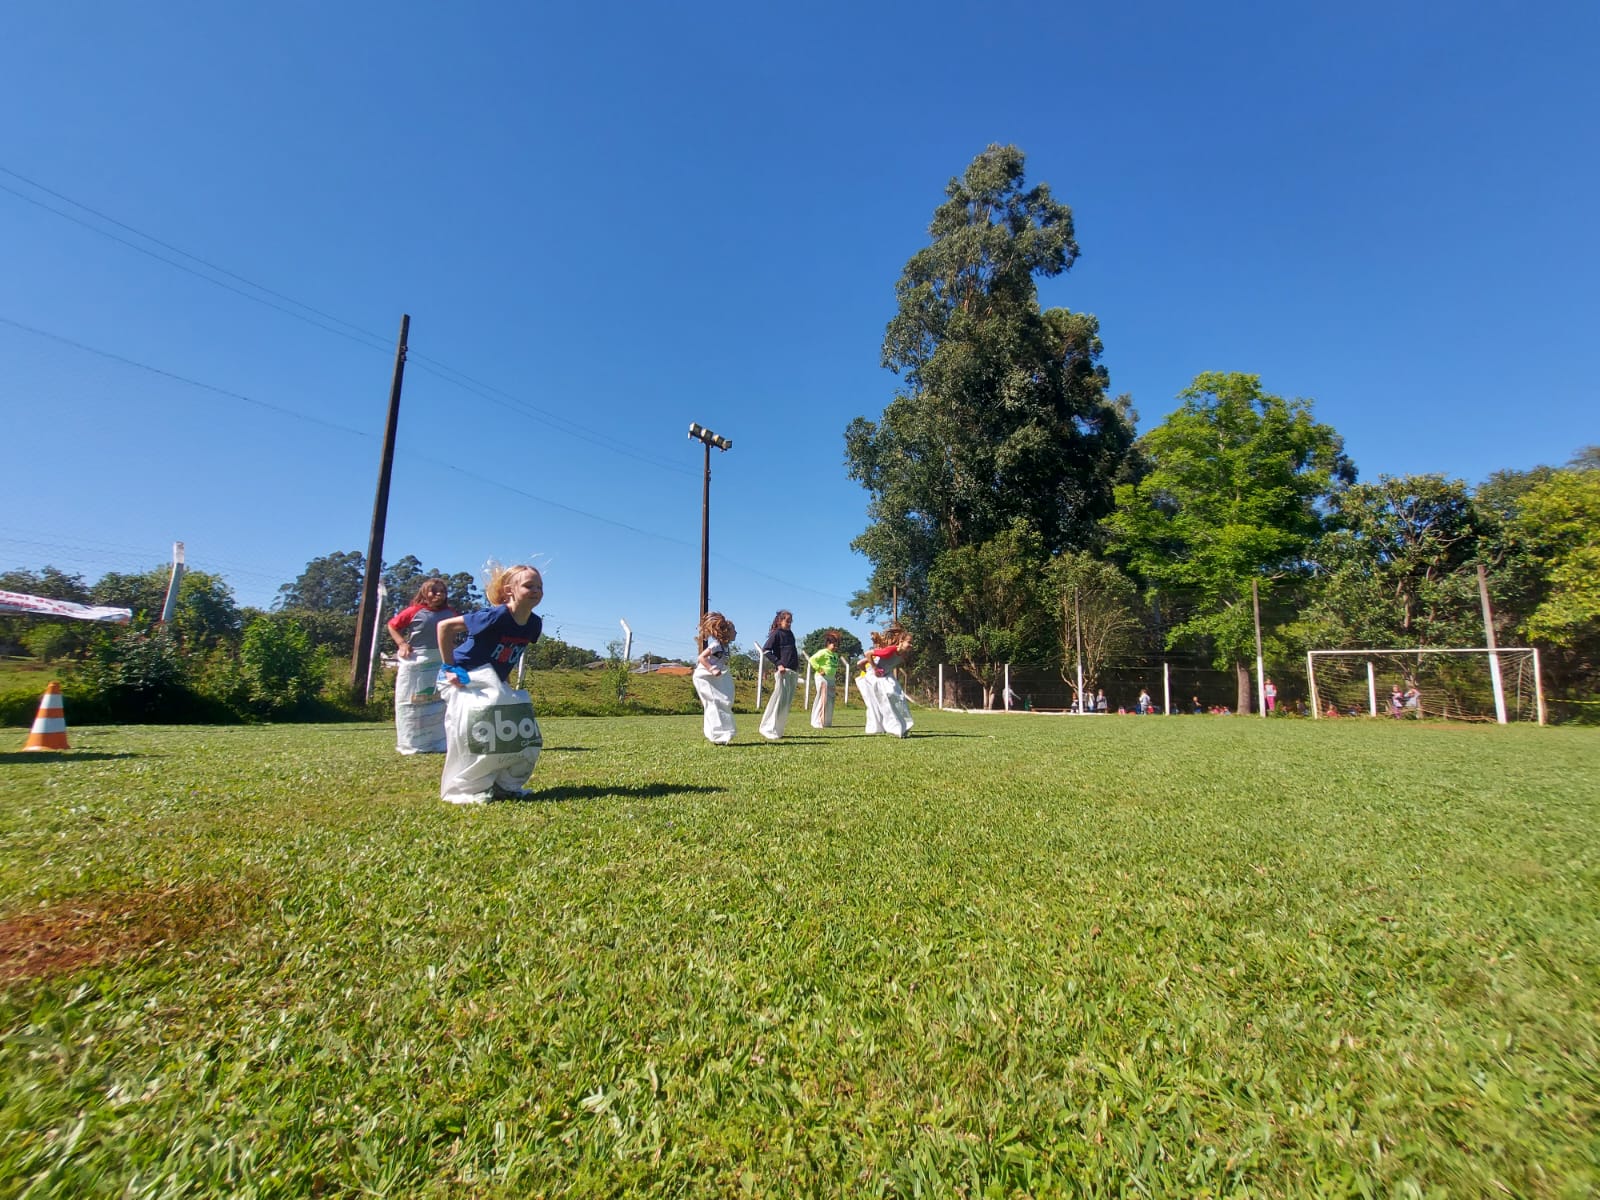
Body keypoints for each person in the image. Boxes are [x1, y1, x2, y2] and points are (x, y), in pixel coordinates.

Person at [434, 564, 544, 804]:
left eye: (539, 586)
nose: (536, 590)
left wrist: (503, 684)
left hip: (490, 684)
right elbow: (445, 627)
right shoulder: (495, 615)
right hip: (463, 678)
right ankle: (463, 791)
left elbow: (507, 655)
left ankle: (506, 786)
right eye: (528, 585)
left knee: (522, 734)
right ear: (509, 591)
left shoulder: (534, 624)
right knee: (473, 736)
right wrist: (449, 666)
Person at [386, 577, 458, 754]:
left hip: (442, 660)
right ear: (425, 593)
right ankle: (412, 742)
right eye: (434, 591)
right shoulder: (414, 611)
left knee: (442, 701)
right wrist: (402, 643)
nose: (439, 594)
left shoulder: (451, 613)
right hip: (418, 660)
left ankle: (441, 742)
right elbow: (392, 625)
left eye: (443, 591)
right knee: (413, 701)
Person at [861, 625, 914, 738]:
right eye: (909, 642)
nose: (911, 645)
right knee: (887, 697)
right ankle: (893, 728)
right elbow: (868, 654)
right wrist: (874, 668)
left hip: (886, 675)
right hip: (875, 676)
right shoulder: (890, 650)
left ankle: (904, 726)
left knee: (899, 697)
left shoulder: (903, 654)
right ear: (901, 641)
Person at [693, 611, 737, 745]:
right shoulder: (716, 645)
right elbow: (701, 657)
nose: (736, 633)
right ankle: (718, 734)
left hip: (715, 677)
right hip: (705, 676)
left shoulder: (725, 647)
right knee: (715, 702)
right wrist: (711, 669)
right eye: (734, 630)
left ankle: (719, 732)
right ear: (727, 632)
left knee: (724, 701)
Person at [758, 610, 801, 740]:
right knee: (778, 701)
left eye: (790, 621)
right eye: (787, 621)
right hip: (783, 671)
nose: (789, 624)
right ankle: (768, 728)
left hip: (792, 671)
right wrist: (778, 664)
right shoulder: (776, 634)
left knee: (785, 703)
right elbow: (766, 650)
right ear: (779, 620)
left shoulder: (790, 634)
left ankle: (778, 729)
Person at [807, 630, 842, 729]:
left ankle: (826, 721)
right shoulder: (823, 652)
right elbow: (812, 660)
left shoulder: (835, 655)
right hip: (822, 678)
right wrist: (819, 669)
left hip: (831, 679)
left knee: (830, 700)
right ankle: (817, 721)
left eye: (837, 645)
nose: (835, 647)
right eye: (833, 645)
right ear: (828, 644)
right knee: (822, 699)